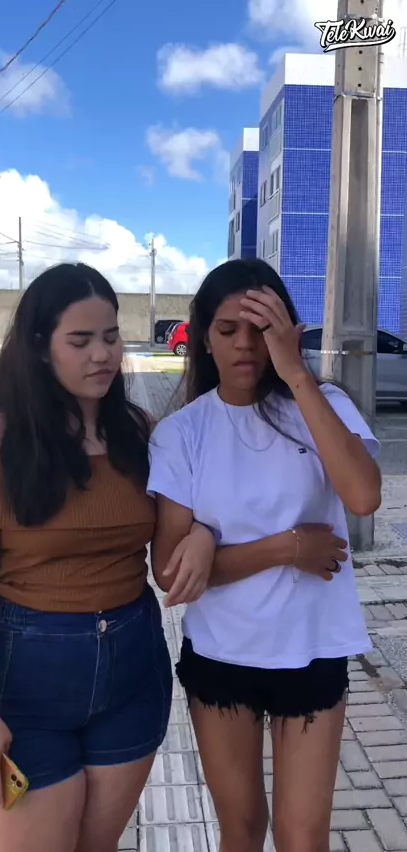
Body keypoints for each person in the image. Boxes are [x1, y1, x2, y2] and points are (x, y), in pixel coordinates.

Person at [0, 263, 173, 852]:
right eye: (80, 340)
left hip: (131, 674)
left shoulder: (138, 434)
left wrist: (206, 539)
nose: (103, 355)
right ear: (40, 348)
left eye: (110, 336)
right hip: (18, 684)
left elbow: (177, 536)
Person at [148, 258, 381, 852]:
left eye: (262, 329)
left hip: (313, 647)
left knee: (303, 837)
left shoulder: (324, 405)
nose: (245, 345)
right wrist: (287, 548)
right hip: (222, 655)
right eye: (228, 330)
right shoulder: (182, 433)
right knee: (243, 829)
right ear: (204, 337)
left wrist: (297, 374)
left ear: (286, 330)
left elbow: (363, 496)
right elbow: (171, 573)